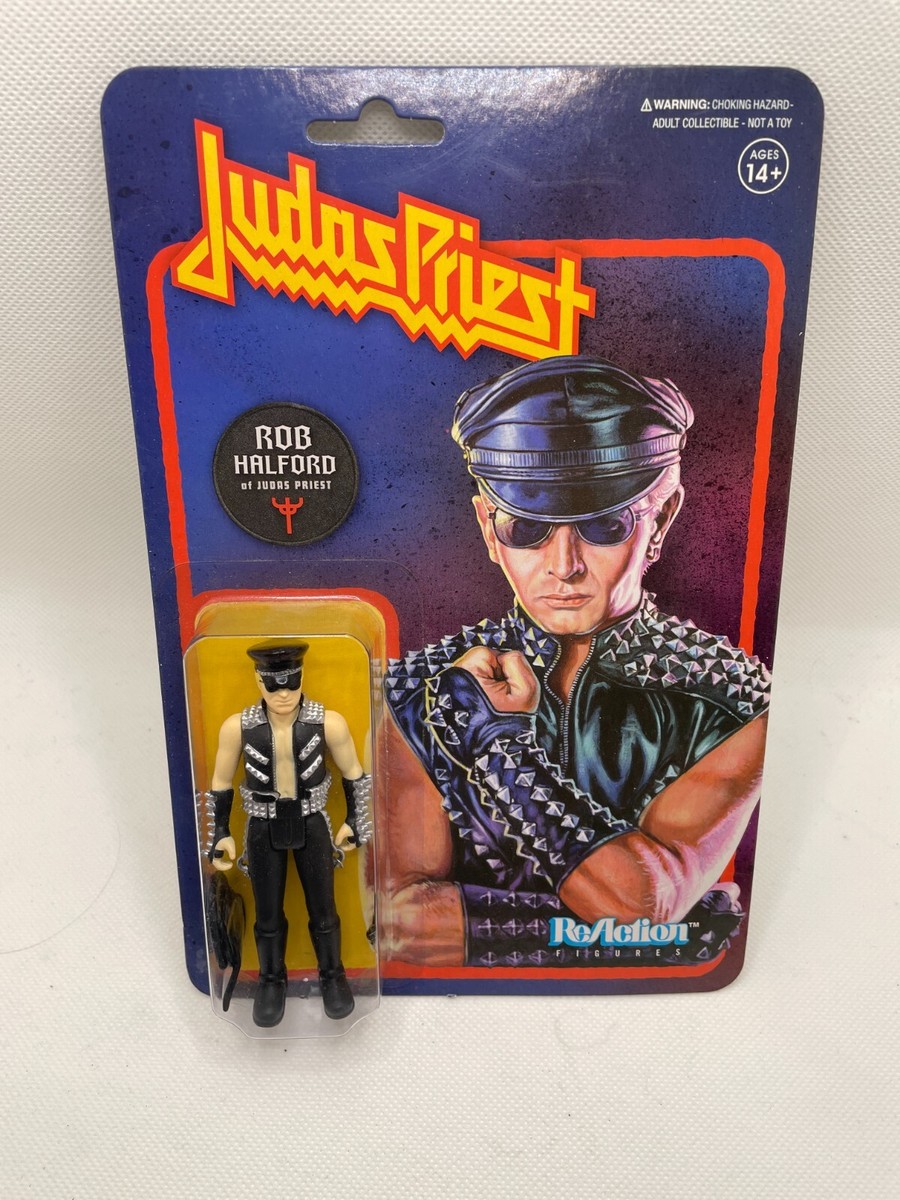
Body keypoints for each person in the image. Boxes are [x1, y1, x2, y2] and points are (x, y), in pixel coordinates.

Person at [381, 357, 770, 968]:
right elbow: (401, 925)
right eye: (526, 528)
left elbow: (642, 907)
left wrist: (500, 752)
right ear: (487, 526)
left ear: (663, 518)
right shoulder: (418, 691)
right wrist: (665, 938)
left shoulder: (730, 701)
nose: (563, 566)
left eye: (604, 525)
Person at [205, 643, 373, 1025]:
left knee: (324, 909)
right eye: (273, 684)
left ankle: (333, 975)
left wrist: (356, 820)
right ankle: (270, 980)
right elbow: (220, 782)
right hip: (262, 826)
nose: (283, 693)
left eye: (291, 682)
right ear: (258, 680)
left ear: (302, 676)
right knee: (267, 913)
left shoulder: (329, 723)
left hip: (312, 822)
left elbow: (355, 773)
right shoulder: (238, 727)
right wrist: (220, 832)